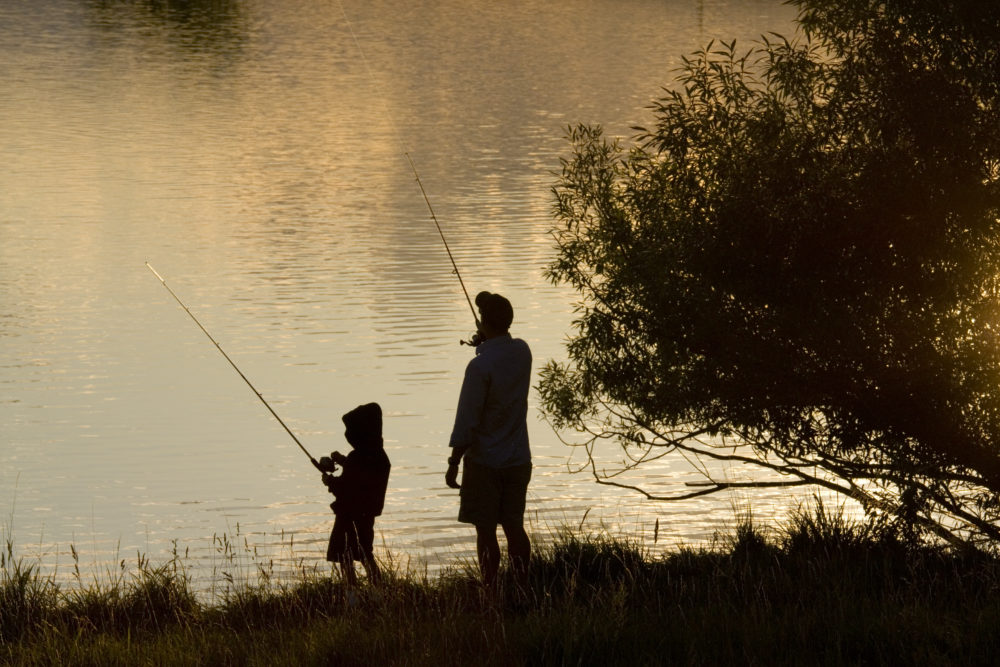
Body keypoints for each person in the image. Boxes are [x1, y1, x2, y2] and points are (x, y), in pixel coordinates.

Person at [446, 291, 532, 587]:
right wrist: (487, 340)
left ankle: (491, 589)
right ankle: (522, 587)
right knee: (514, 527)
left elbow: (467, 420)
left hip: (485, 462)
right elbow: (501, 351)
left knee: (485, 530)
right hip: (519, 459)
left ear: (484, 322)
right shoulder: (523, 352)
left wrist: (454, 461)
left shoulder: (479, 367)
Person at [319, 402, 391, 586]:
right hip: (367, 515)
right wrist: (343, 460)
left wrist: (330, 481)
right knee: (366, 553)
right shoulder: (379, 456)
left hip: (348, 515)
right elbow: (362, 474)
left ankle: (351, 596)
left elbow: (346, 486)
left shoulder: (357, 458)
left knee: (345, 555)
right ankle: (378, 591)